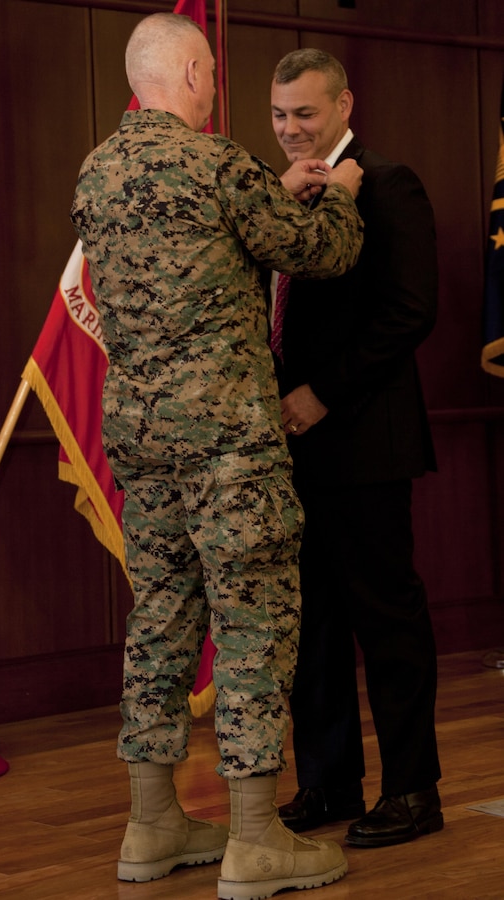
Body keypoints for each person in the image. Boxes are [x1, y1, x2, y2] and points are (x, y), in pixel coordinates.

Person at [70, 14, 364, 899]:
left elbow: (190, 247)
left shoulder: (97, 170)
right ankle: (252, 838)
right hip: (228, 444)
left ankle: (152, 824)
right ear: (194, 71)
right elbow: (319, 250)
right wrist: (339, 191)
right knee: (252, 622)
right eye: (212, 74)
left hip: (141, 439)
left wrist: (263, 192)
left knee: (159, 621)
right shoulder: (215, 163)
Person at [270, 48, 443, 848]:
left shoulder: (387, 181)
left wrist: (320, 394)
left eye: (304, 113)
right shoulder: (280, 192)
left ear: (345, 104)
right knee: (313, 627)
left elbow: (407, 313)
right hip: (291, 451)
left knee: (387, 623)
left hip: (364, 442)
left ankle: (413, 792)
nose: (290, 130)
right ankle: (330, 781)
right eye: (277, 115)